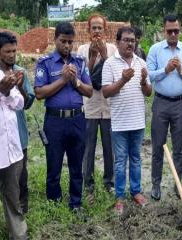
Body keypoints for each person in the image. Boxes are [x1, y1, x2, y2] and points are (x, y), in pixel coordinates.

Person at [34, 22, 93, 211]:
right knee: (54, 164)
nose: (67, 46)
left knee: (77, 164)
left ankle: (76, 202)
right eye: (63, 41)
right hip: (55, 122)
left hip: (77, 120)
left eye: (70, 42)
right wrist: (63, 80)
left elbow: (90, 91)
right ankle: (54, 202)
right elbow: (40, 93)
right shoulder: (45, 62)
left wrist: (75, 81)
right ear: (55, 40)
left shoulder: (79, 62)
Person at [147, 15, 182, 200]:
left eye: (176, 30)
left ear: (180, 30)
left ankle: (178, 185)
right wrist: (166, 69)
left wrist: (181, 71)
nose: (173, 34)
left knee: (178, 148)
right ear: (164, 30)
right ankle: (155, 185)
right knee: (157, 147)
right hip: (160, 103)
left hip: (180, 103)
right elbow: (149, 76)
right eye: (170, 31)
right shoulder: (155, 49)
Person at [102, 27, 152, 215]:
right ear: (118, 42)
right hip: (120, 122)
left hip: (137, 120)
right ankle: (120, 196)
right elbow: (106, 92)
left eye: (133, 40)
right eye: (126, 40)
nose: (130, 43)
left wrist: (143, 82)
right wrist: (122, 80)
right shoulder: (110, 63)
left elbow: (148, 93)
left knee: (136, 159)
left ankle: (136, 192)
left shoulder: (140, 62)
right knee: (121, 160)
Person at [77, 14, 117, 204]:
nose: (97, 31)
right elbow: (83, 76)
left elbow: (114, 72)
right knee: (89, 146)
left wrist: (104, 55)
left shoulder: (113, 49)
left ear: (105, 29)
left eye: (100, 28)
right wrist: (92, 57)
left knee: (109, 147)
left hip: (109, 106)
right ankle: (88, 183)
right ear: (88, 30)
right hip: (91, 105)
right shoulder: (82, 50)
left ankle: (109, 181)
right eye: (93, 28)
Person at [0, 31, 35, 214]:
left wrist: (20, 87)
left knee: (20, 179)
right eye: (7, 52)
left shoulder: (20, 72)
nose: (12, 55)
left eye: (14, 51)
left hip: (18, 135)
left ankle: (22, 213)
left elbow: (27, 103)